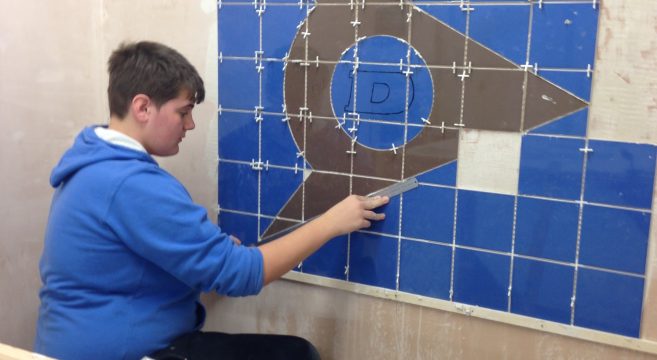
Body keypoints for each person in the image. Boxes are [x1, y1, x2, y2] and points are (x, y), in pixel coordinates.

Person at [34, 41, 388, 360]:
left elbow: (132, 259)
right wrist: (331, 223)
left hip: (86, 341)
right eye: (183, 111)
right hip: (127, 352)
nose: (189, 125)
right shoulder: (130, 183)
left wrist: (206, 255)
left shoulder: (95, 162)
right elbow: (241, 275)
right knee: (297, 356)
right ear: (142, 107)